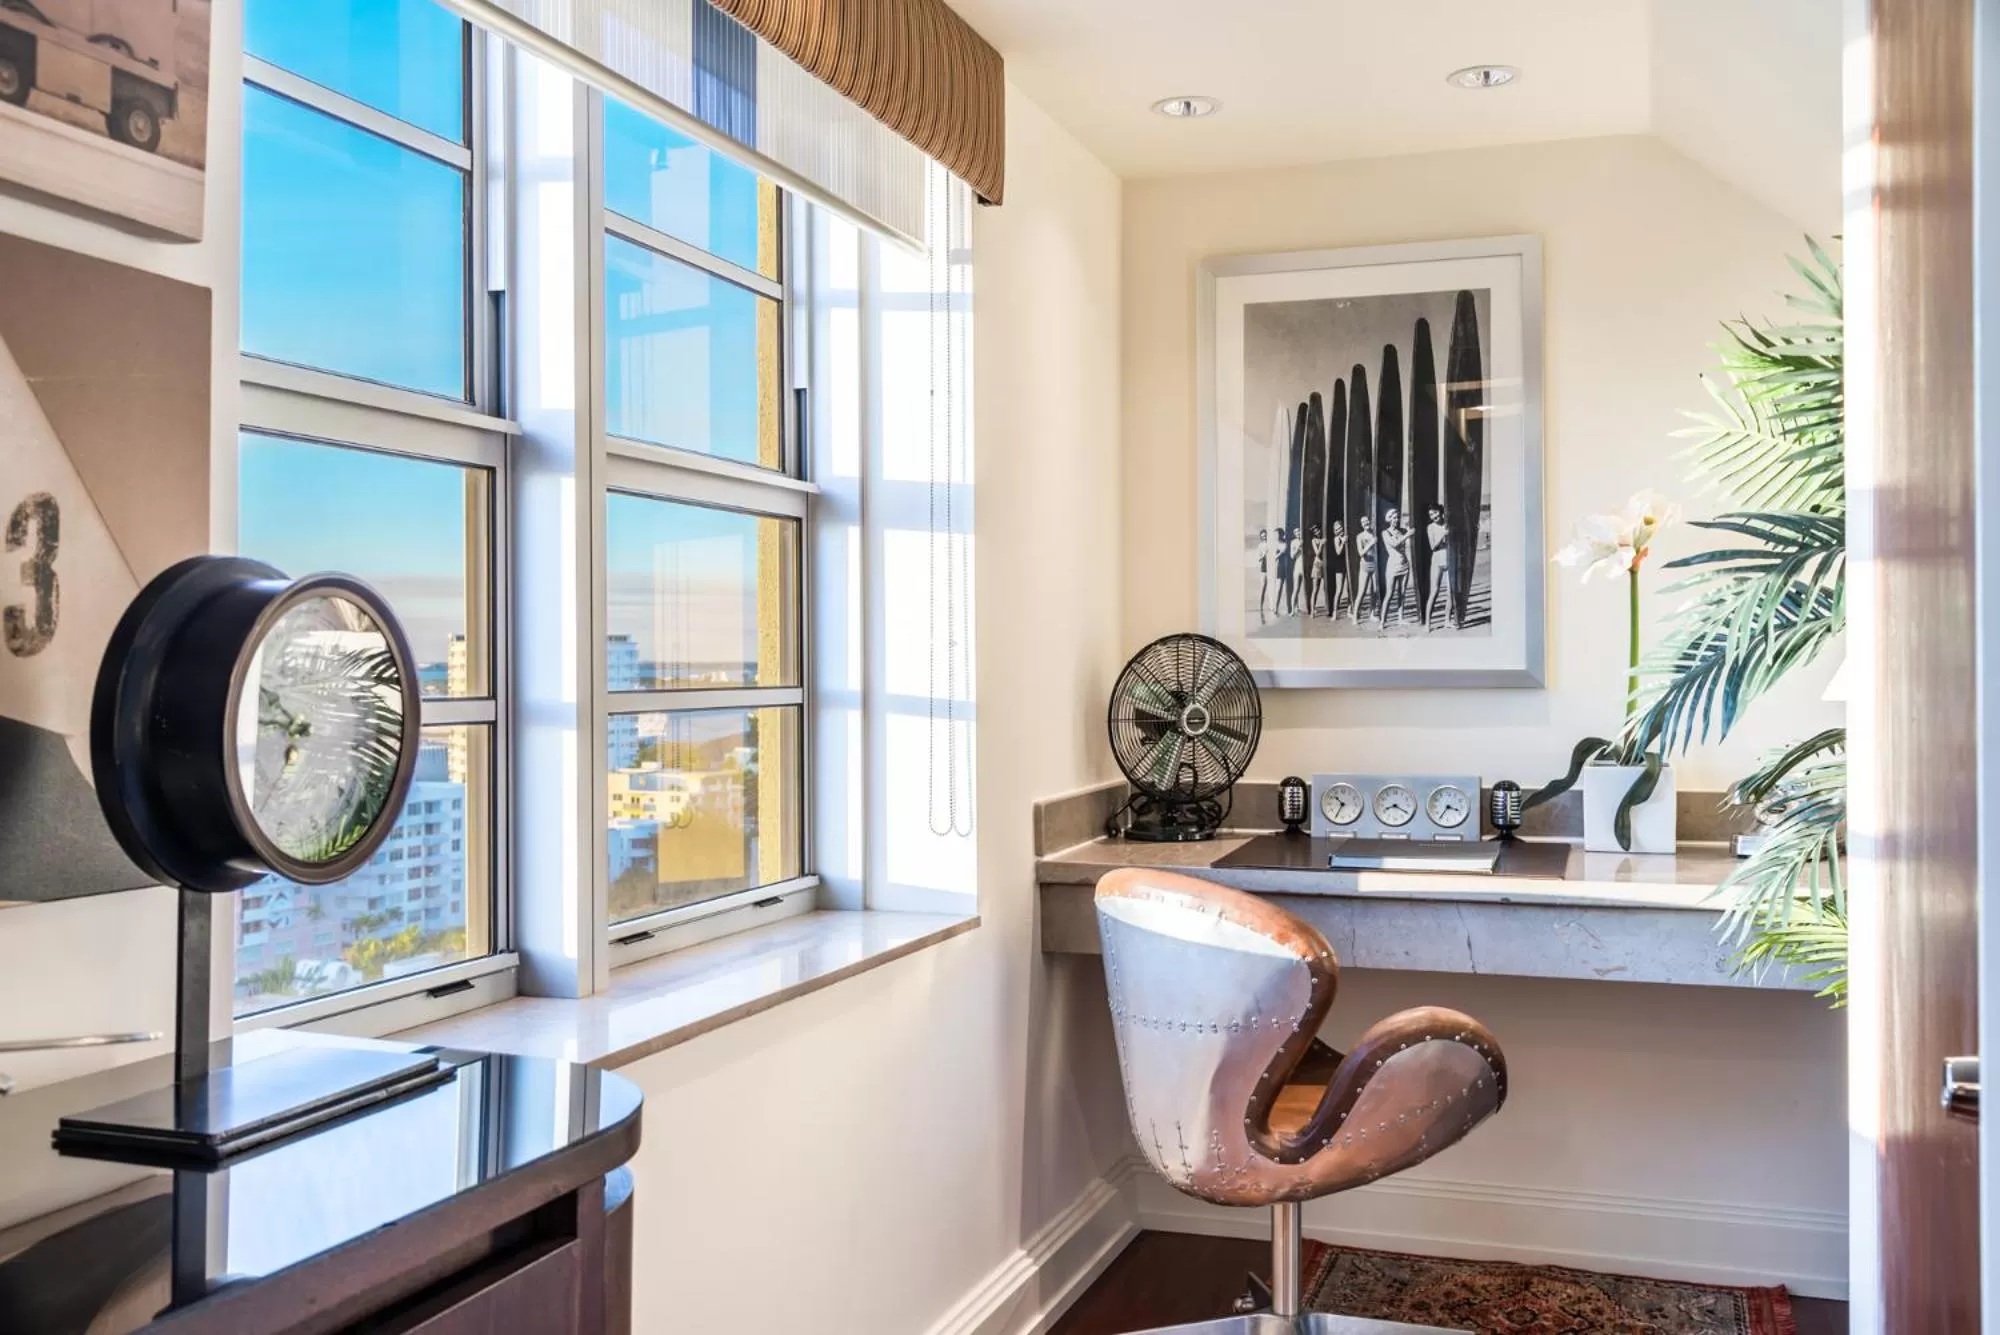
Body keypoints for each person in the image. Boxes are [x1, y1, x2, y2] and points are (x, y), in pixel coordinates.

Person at [1379, 509, 1412, 629]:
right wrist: (1408, 535)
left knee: (1402, 593)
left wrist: (1408, 531)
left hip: (1404, 564)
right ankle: (1382, 621)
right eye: (1393, 518)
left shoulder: (1402, 531)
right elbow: (1395, 544)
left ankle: (1400, 618)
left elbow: (1407, 545)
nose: (1396, 520)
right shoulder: (1385, 532)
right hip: (1393, 565)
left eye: (1397, 518)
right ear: (1389, 519)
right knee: (1389, 594)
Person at [1423, 506, 1453, 630]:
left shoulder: (1448, 525)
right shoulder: (1430, 527)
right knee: (1434, 592)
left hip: (1449, 560)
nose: (1433, 516)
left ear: (1441, 512)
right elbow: (1433, 546)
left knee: (1450, 593)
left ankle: (1447, 620)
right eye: (1430, 514)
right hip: (1437, 561)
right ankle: (1428, 624)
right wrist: (1443, 535)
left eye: (1435, 513)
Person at [1351, 516, 1378, 624]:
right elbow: (1361, 553)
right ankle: (1354, 616)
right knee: (1361, 591)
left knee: (1374, 591)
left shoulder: (1373, 534)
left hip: (1374, 564)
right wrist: (1371, 543)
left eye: (1367, 521)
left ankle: (1371, 614)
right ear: (1361, 524)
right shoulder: (1360, 536)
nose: (1366, 523)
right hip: (1365, 565)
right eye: (1363, 522)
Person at [1328, 521, 1349, 619]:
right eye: (1336, 529)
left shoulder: (1346, 535)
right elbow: (1338, 552)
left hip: (1348, 564)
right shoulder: (1337, 539)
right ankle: (1335, 612)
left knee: (1349, 589)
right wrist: (1343, 542)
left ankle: (1350, 610)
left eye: (1340, 528)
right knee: (1339, 589)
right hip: (1339, 565)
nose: (1339, 530)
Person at [1306, 526, 1327, 617]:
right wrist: (1322, 544)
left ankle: (1326, 606)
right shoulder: (1314, 540)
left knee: (1325, 588)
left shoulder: (1324, 538)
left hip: (1325, 564)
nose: (1317, 532)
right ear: (1313, 533)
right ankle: (1312, 610)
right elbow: (1317, 553)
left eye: (1318, 530)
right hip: (1318, 564)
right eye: (1315, 531)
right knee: (1315, 589)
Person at [1254, 527, 1273, 623]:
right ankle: (1260, 607)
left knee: (1272, 587)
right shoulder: (1260, 546)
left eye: (1265, 535)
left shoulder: (1271, 543)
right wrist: (1264, 554)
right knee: (1263, 588)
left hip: (1272, 566)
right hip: (1264, 567)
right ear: (1261, 537)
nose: (1264, 537)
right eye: (1263, 536)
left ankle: (1272, 606)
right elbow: (1259, 559)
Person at [1275, 527, 1295, 616]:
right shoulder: (1276, 545)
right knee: (1279, 588)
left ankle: (1292, 608)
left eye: (1278, 535)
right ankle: (1276, 608)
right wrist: (1282, 552)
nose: (1277, 537)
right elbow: (1274, 558)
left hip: (1288, 567)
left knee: (1290, 588)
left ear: (1281, 535)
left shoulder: (1287, 542)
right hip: (1281, 567)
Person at [1287, 526, 1305, 616]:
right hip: (1297, 567)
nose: (1298, 533)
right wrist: (1298, 547)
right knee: (1296, 589)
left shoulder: (1305, 540)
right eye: (1296, 532)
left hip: (1304, 567)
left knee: (1305, 588)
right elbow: (1292, 556)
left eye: (1299, 531)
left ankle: (1298, 608)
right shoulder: (1293, 542)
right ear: (1294, 534)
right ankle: (1292, 610)